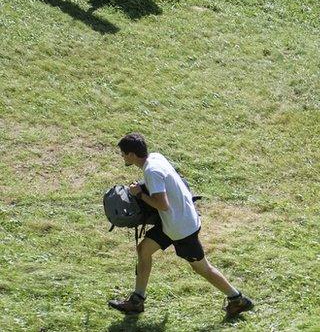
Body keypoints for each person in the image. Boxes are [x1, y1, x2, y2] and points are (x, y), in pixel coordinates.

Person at [108, 132, 254, 318]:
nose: (122, 156)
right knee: (143, 250)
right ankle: (137, 301)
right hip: (172, 221)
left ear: (131, 155)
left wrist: (139, 195)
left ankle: (237, 299)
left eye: (123, 153)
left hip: (181, 228)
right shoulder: (156, 157)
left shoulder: (151, 171)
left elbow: (162, 204)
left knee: (202, 268)